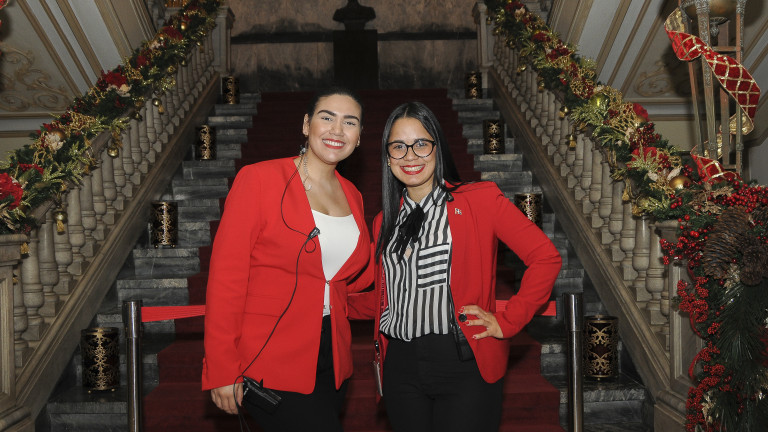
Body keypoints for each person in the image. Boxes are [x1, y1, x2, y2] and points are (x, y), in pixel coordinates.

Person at [349, 101, 562, 432]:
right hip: (400, 364)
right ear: (387, 157)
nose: (410, 156)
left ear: (438, 148)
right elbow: (386, 297)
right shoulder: (383, 222)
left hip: (463, 359)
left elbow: (545, 257)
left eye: (421, 144)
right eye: (398, 146)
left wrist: (509, 321)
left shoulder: (479, 200)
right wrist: (329, 301)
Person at [202, 86, 373, 431]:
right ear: (307, 125)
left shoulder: (353, 194)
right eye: (327, 118)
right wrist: (221, 367)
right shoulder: (259, 179)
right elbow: (226, 280)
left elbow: (350, 278)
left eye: (349, 122)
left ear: (359, 137)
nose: (337, 130)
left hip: (333, 357)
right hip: (270, 355)